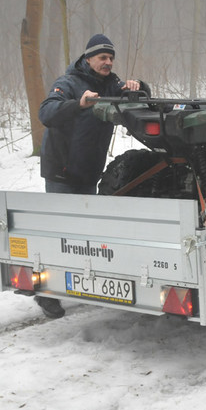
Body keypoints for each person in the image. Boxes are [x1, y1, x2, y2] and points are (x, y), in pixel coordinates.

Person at [35, 33, 148, 319]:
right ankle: (46, 292)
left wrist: (139, 86)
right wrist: (79, 104)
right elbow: (46, 113)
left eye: (111, 58)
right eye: (102, 57)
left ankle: (86, 283)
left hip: (89, 172)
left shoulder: (111, 83)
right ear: (88, 59)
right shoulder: (68, 83)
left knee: (86, 235)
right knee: (61, 235)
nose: (108, 62)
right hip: (62, 171)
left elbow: (140, 98)